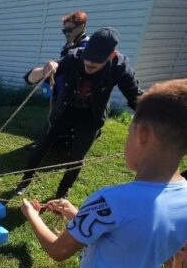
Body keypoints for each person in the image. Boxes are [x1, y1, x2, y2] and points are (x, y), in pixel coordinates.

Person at [20, 78, 187, 268]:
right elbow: (129, 235)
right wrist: (76, 214)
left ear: (142, 134)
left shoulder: (109, 201)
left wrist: (32, 215)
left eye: (129, 132)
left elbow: (58, 250)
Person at [15, 27, 144, 198]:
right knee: (41, 146)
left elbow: (135, 96)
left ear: (111, 55)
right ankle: (25, 180)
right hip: (65, 109)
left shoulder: (120, 66)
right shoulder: (74, 56)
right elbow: (29, 78)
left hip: (91, 115)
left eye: (96, 62)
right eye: (87, 59)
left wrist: (154, 114)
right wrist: (45, 69)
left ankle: (62, 192)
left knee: (77, 157)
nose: (89, 64)